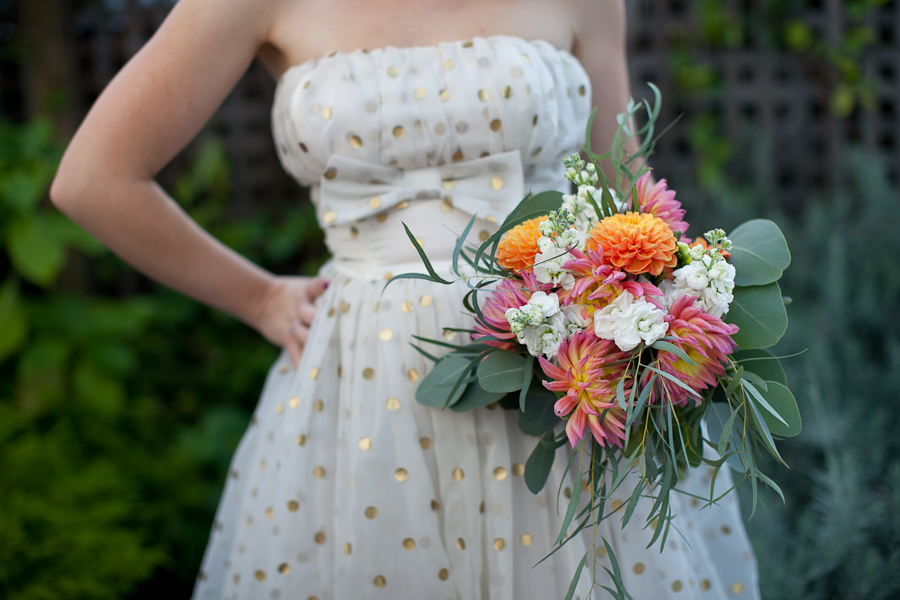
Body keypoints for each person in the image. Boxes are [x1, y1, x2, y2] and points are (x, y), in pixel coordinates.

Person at [50, 0, 760, 597]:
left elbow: (626, 198)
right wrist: (260, 299)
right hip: (362, 388)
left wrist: (669, 309)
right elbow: (95, 178)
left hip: (558, 380)